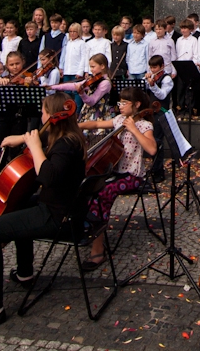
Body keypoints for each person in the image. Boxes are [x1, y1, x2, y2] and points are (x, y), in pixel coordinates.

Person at [0, 92, 87, 335]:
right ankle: (25, 274)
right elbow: (39, 141)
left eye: (45, 111)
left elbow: (47, 176)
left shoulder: (66, 145)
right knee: (19, 205)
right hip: (59, 206)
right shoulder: (66, 136)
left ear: (55, 116)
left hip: (58, 216)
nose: (42, 117)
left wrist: (35, 147)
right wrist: (20, 139)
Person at [79, 87, 156, 269]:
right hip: (115, 172)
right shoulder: (119, 120)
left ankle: (97, 251)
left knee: (104, 192)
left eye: (124, 103)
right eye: (119, 102)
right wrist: (78, 126)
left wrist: (134, 129)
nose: (119, 106)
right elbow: (97, 124)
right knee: (88, 187)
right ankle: (88, 226)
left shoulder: (145, 125)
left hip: (132, 176)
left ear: (136, 105)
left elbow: (152, 149)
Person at [145, 54, 174, 182]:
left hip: (161, 112)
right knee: (152, 140)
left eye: (155, 67)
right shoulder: (152, 76)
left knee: (157, 141)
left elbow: (162, 95)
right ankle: (155, 168)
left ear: (162, 66)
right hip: (151, 113)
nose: (153, 70)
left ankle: (159, 171)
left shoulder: (167, 79)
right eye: (151, 68)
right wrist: (146, 82)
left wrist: (153, 85)